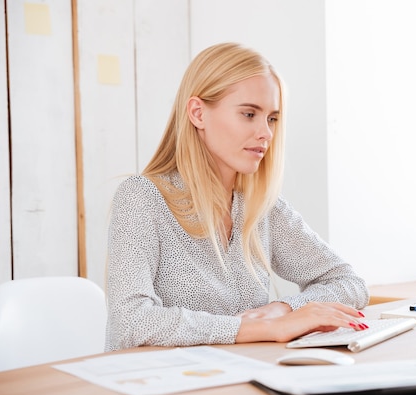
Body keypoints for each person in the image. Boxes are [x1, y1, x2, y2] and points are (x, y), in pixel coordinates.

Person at [105, 42, 369, 351]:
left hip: (237, 378)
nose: (266, 133)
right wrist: (254, 328)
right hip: (161, 387)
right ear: (197, 113)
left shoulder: (262, 208)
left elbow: (349, 283)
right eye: (248, 114)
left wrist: (283, 309)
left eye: (272, 118)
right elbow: (131, 323)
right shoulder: (141, 198)